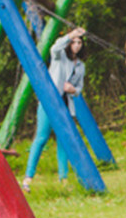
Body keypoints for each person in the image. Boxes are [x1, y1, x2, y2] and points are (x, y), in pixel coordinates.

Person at [22, 27, 88, 191]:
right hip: (50, 102)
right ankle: (28, 178)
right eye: (74, 42)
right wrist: (70, 35)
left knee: (64, 140)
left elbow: (79, 88)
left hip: (66, 104)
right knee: (42, 137)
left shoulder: (80, 66)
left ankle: (63, 178)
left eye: (79, 42)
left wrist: (73, 90)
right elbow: (55, 48)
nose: (76, 45)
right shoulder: (60, 57)